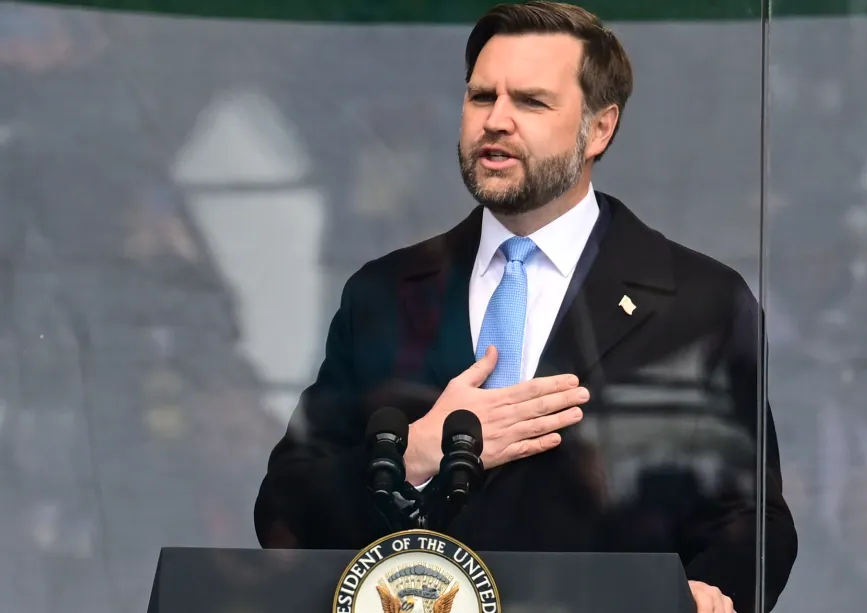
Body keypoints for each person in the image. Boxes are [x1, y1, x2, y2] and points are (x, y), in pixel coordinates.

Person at [254, 2, 797, 612]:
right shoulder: (382, 294)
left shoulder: (698, 302)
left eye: (532, 102)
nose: (496, 120)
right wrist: (417, 453)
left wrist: (707, 595)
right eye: (482, 97)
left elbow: (752, 521)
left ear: (599, 129)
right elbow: (283, 512)